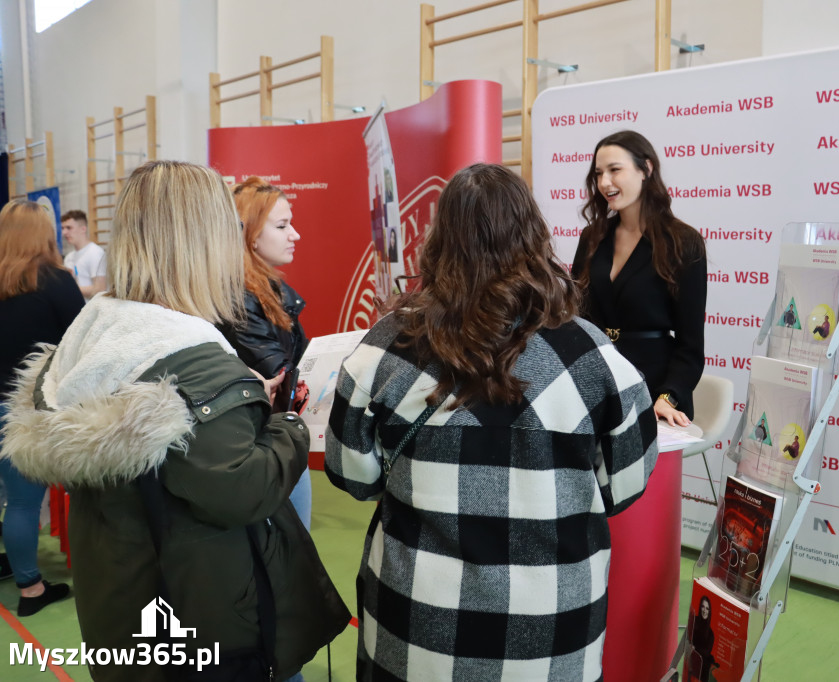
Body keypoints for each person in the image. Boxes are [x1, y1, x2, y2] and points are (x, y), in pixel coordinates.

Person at [1, 161, 349, 680]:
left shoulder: (99, 331)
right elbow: (243, 488)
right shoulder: (188, 357)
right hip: (200, 622)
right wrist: (289, 424)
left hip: (124, 605)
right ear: (205, 240)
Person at [324, 163, 658, 681]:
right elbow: (626, 485)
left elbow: (352, 474)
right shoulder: (592, 354)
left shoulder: (389, 344)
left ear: (441, 241)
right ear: (534, 235)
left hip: (417, 625)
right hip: (552, 629)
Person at [572, 130, 707, 427]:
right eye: (599, 173)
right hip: (593, 386)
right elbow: (576, 319)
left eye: (615, 170)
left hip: (655, 392)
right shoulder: (592, 237)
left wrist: (668, 397)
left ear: (646, 169)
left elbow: (691, 347)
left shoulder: (684, 243)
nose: (605, 182)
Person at [0, 200, 84, 615]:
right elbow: (81, 338)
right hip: (29, 407)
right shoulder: (55, 280)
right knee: (25, 502)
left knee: (14, 501)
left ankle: (16, 566)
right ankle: (30, 588)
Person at [219, 176, 313, 530]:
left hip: (273, 436)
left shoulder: (269, 290)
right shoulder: (239, 297)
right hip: (258, 442)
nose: (295, 235)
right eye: (283, 225)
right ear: (250, 234)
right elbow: (283, 377)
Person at [60, 209, 107, 298]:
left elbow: (100, 289)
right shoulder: (69, 257)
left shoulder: (95, 253)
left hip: (91, 310)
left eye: (69, 228)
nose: (64, 232)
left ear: (83, 229)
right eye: (63, 228)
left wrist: (67, 288)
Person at [685, 595, 716, 682]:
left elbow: (706, 652)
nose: (704, 610)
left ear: (709, 611)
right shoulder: (694, 620)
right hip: (688, 660)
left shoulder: (710, 634)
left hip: (701, 667)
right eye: (703, 607)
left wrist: (694, 648)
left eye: (707, 608)